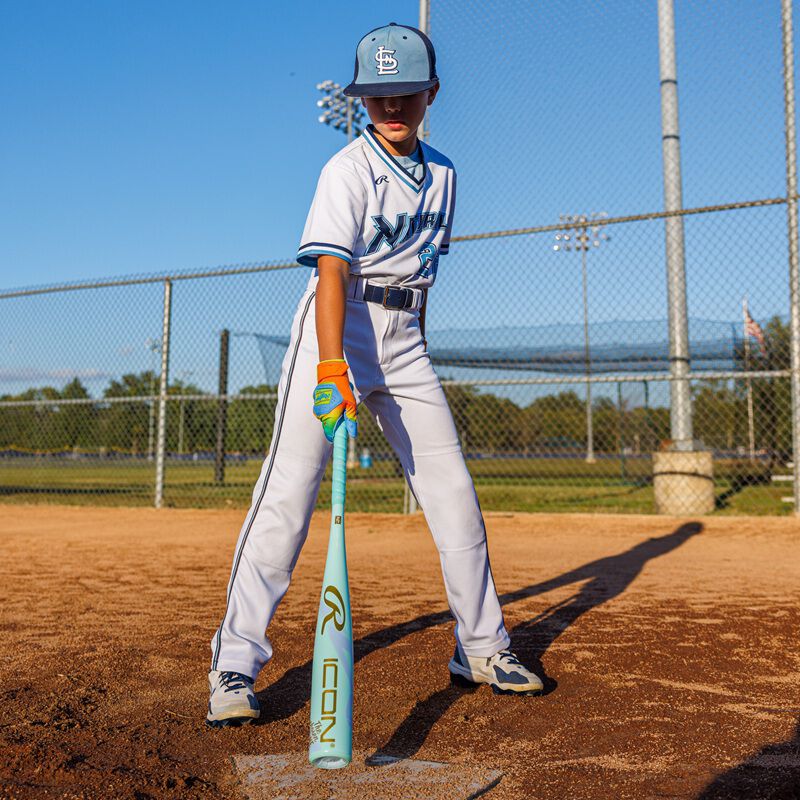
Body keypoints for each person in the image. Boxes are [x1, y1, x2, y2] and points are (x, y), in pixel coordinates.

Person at [206, 22, 543, 728]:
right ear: (360, 99)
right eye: (376, 94)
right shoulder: (347, 171)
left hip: (406, 337)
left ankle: (481, 646)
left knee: (452, 492)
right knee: (288, 499)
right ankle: (234, 664)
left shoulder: (445, 174)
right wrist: (333, 363)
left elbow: (423, 275)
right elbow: (332, 274)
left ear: (431, 94)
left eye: (404, 93)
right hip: (339, 326)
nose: (390, 106)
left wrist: (405, 357)